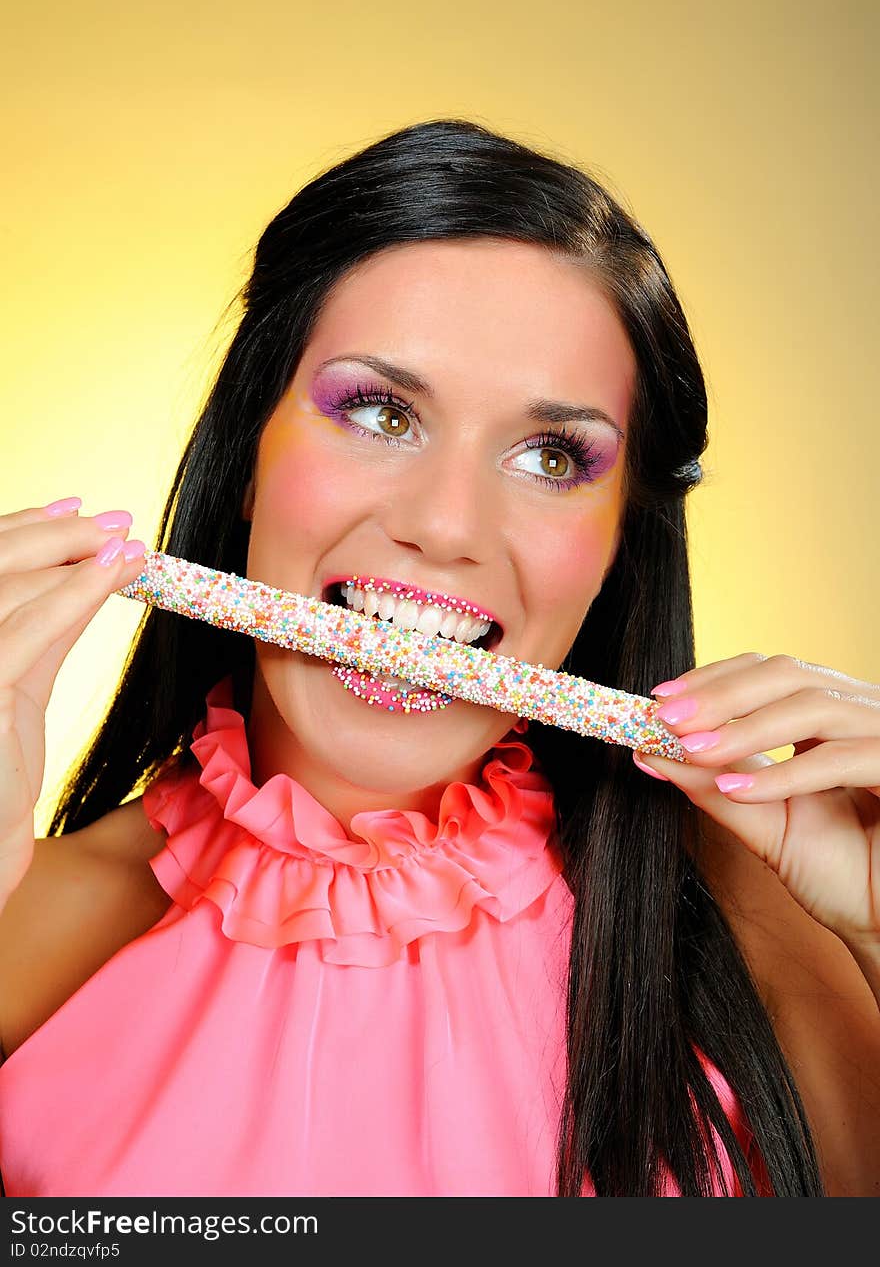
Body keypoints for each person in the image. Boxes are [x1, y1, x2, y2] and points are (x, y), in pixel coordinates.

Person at [0, 118, 877, 1199]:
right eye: (379, 411)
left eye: (552, 456)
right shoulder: (30, 926)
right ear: (249, 454)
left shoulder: (761, 916)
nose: (448, 524)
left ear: (616, 549)